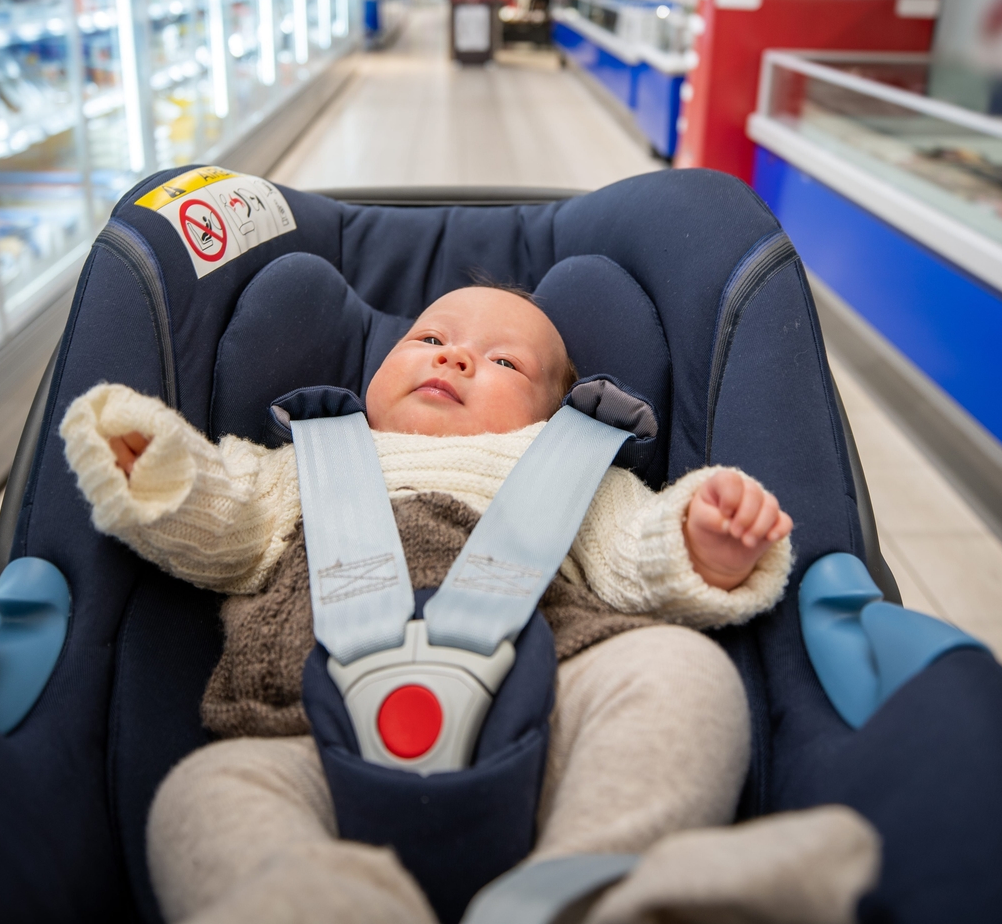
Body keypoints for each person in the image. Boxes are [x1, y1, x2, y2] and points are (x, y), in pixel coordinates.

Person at [59, 286, 876, 924]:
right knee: (203, 794)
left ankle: (591, 885)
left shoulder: (566, 464)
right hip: (307, 726)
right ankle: (318, 903)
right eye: (429, 340)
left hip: (548, 703)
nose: (453, 358)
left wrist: (705, 541)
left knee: (681, 672)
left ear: (551, 414)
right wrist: (161, 467)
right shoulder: (306, 460)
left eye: (504, 362)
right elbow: (223, 519)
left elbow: (639, 556)